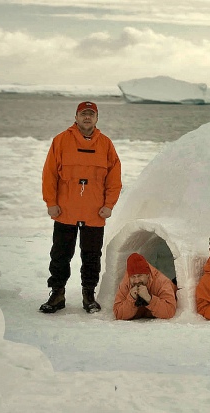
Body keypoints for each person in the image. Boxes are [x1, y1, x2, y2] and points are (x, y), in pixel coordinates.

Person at [40, 101, 122, 314]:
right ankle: (57, 294)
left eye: (91, 114)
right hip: (65, 210)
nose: (87, 117)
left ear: (96, 118)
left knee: (92, 255)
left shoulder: (106, 144)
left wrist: (109, 205)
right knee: (60, 254)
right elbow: (49, 174)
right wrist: (51, 203)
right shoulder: (61, 141)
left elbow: (114, 178)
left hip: (95, 211)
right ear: (76, 117)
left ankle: (89, 294)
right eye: (83, 114)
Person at [113, 253, 177, 320]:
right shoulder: (126, 283)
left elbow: (169, 311)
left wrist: (149, 299)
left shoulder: (162, 282)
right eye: (133, 277)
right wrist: (131, 298)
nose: (137, 281)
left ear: (148, 274)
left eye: (140, 276)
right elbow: (118, 314)